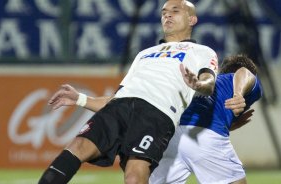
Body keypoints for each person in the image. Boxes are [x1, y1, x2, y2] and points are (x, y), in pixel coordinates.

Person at [38, 0, 218, 183]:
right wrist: (81, 99)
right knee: (77, 147)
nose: (167, 15)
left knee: (134, 177)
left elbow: (209, 81)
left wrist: (198, 84)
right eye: (164, 12)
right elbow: (119, 97)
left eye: (175, 11)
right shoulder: (144, 54)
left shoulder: (202, 51)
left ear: (192, 20)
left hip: (157, 113)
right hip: (120, 106)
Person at [149, 55, 263, 184]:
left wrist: (228, 124)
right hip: (204, 137)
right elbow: (245, 72)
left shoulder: (204, 85)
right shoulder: (238, 79)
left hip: (168, 138)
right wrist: (238, 94)